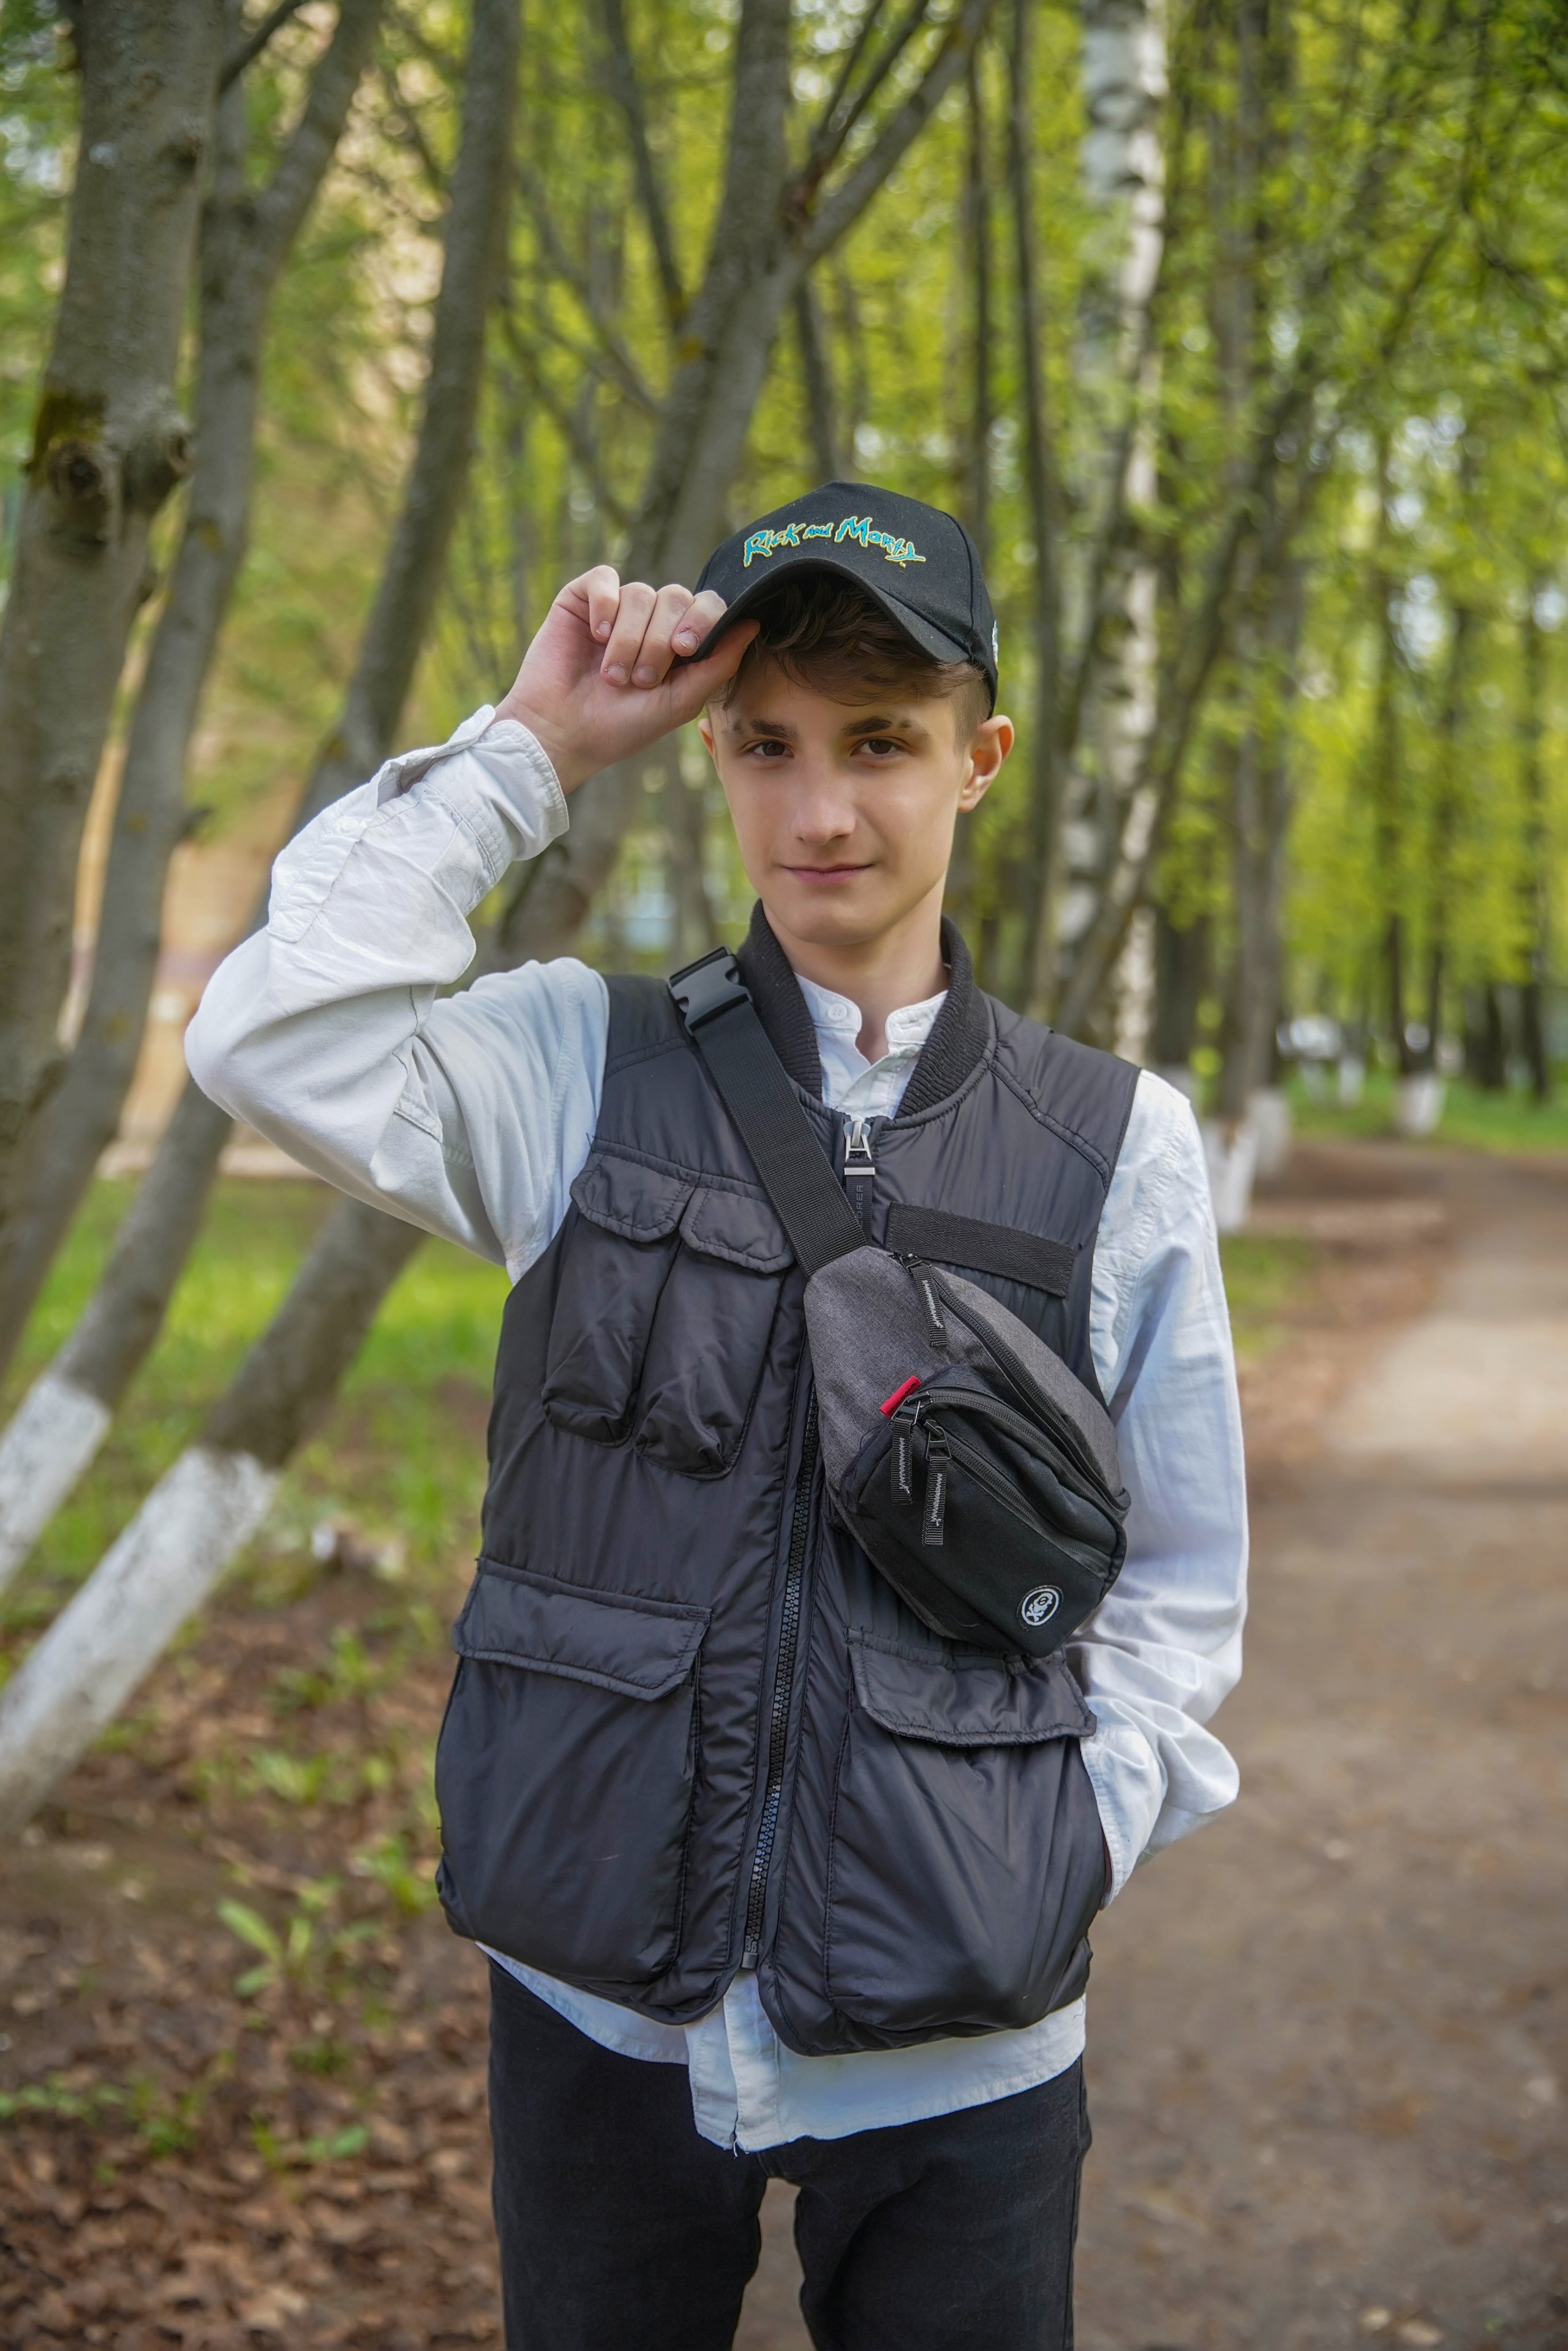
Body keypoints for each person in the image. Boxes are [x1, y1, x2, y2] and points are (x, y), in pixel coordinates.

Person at [187, 483, 1246, 2351]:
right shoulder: (569, 1064)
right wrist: (536, 750)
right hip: (601, 1998)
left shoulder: (1116, 1143)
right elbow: (271, 1035)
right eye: (764, 746)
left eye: (881, 745)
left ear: (981, 758)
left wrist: (1068, 1832)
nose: (819, 810)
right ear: (712, 758)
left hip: (964, 2036)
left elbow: (1181, 1577)